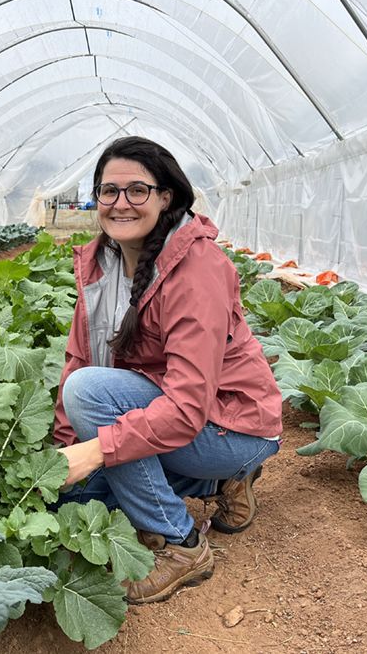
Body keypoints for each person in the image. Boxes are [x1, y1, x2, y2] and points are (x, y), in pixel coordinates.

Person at [53, 136, 283, 604]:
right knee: (71, 499)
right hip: (171, 414)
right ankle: (218, 485)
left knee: (90, 395)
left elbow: (186, 407)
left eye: (137, 190)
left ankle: (181, 543)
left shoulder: (198, 269)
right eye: (108, 191)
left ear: (166, 196)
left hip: (230, 426)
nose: (120, 203)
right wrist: (64, 450)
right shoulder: (103, 263)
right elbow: (79, 354)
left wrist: (96, 451)